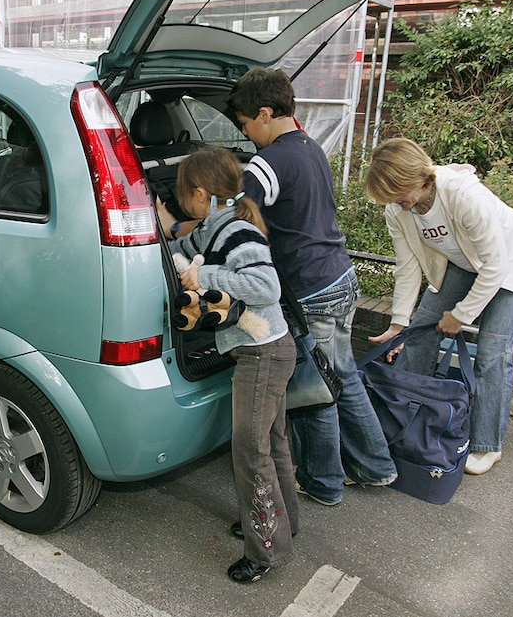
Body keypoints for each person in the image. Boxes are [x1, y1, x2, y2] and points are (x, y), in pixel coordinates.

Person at [224, 68, 396, 506]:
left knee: (314, 391)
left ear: (264, 113)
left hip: (309, 291)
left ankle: (323, 483)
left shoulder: (268, 162)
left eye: (245, 124)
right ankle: (376, 466)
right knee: (343, 376)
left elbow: (237, 218)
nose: (246, 133)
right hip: (339, 276)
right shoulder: (309, 146)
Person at [364, 138, 513, 475]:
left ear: (419, 177)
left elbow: (495, 265)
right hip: (463, 263)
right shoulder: (397, 209)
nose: (398, 204)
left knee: (493, 350)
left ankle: (487, 445)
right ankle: (403, 414)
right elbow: (407, 267)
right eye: (390, 198)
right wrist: (399, 322)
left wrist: (461, 316)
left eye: (400, 193)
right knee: (419, 334)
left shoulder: (463, 195)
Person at [167, 146, 298, 584]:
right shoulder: (213, 226)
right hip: (267, 351)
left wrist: (206, 277)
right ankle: (282, 524)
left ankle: (265, 551)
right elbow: (179, 244)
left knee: (250, 450)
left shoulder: (238, 232)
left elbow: (265, 285)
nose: (181, 198)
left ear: (201, 193)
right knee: (273, 444)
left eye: (184, 191)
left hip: (263, 354)